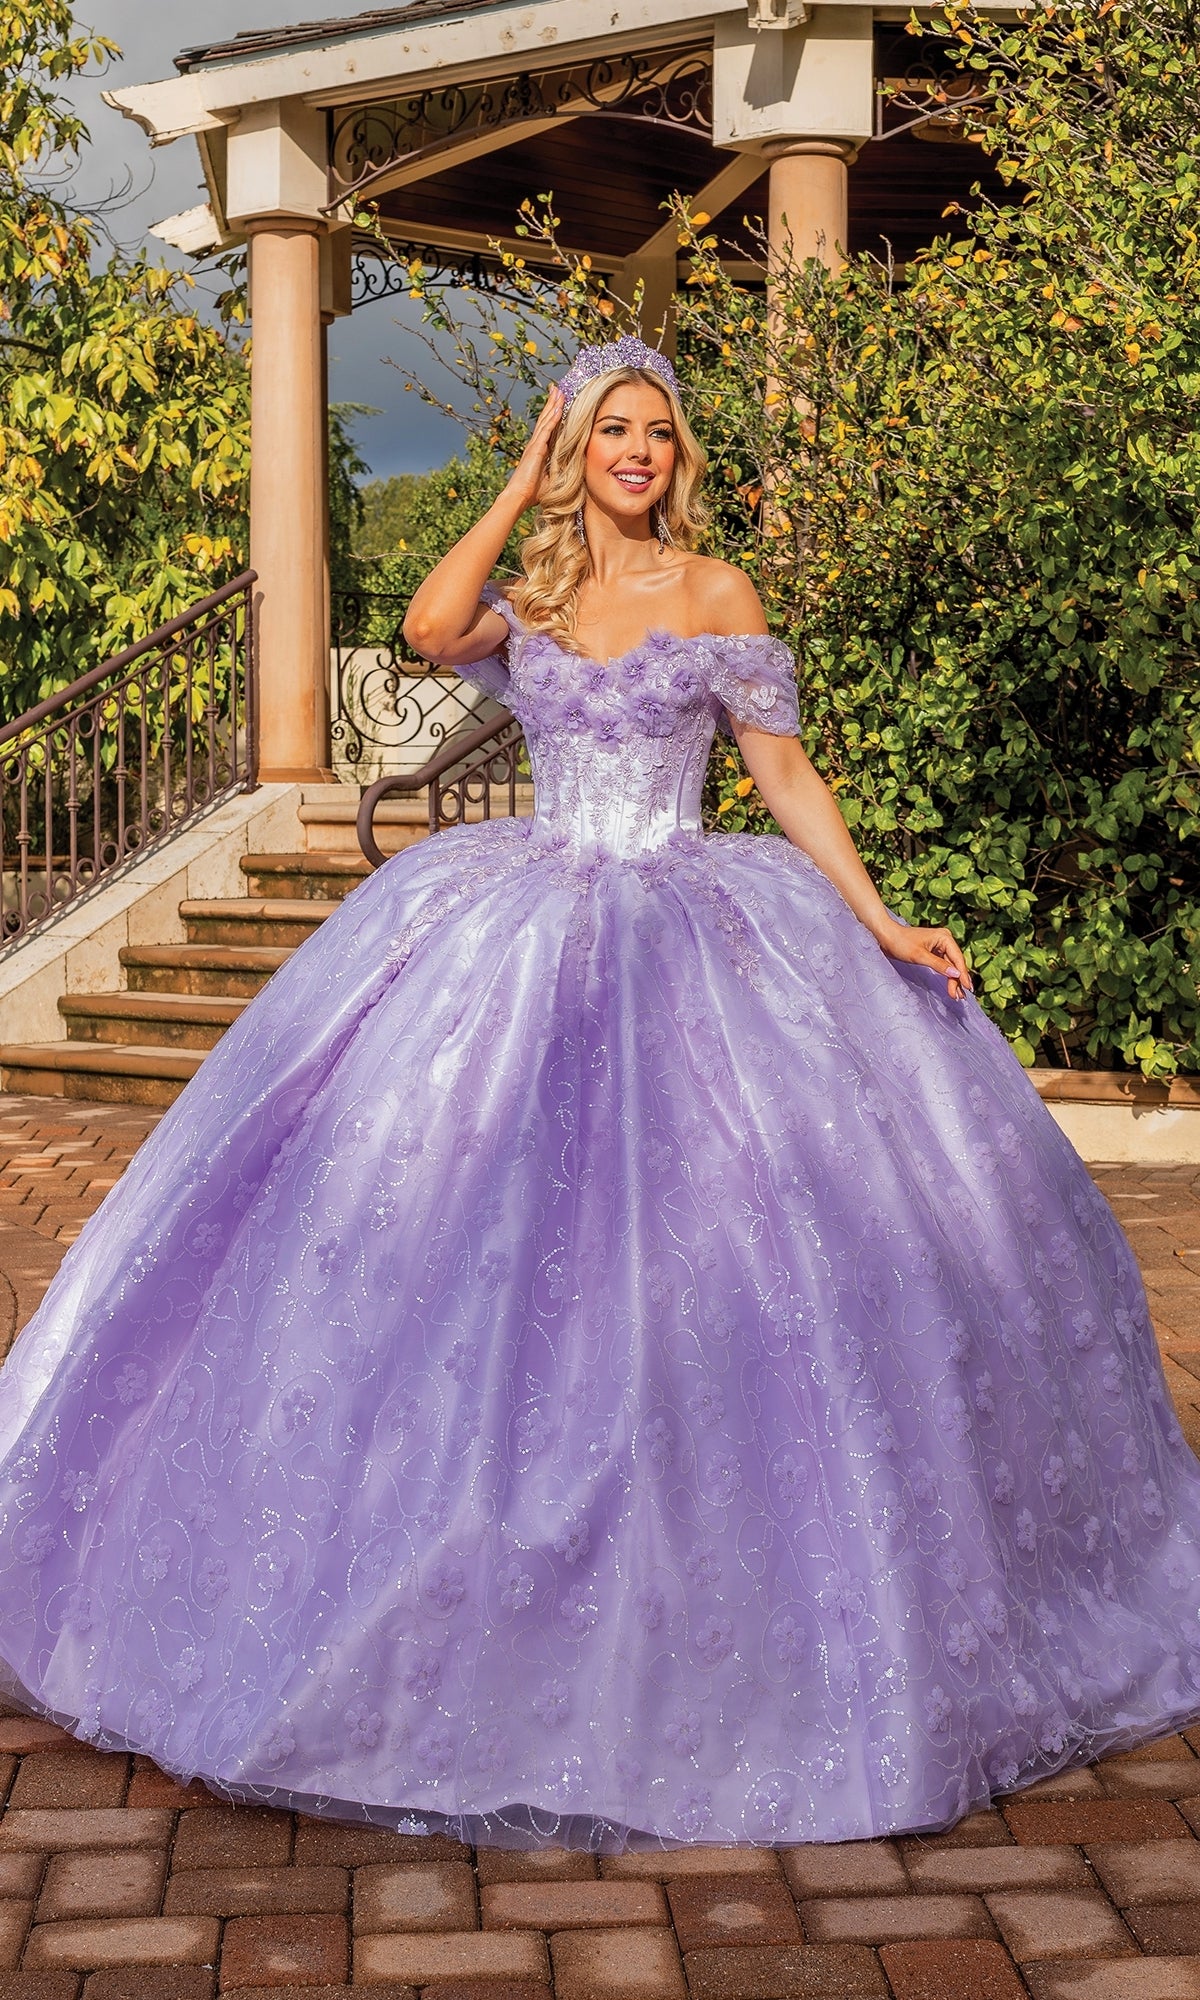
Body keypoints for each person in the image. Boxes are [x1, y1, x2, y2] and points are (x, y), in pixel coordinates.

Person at [0, 337, 1196, 1854]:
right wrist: (518, 476)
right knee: (461, 1236)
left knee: (718, 1266)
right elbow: (435, 628)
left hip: (691, 921)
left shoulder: (717, 594)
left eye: (654, 431)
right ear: (580, 446)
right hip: (519, 920)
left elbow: (782, 776)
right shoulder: (539, 591)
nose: (636, 449)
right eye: (609, 429)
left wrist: (882, 919)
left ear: (680, 454)